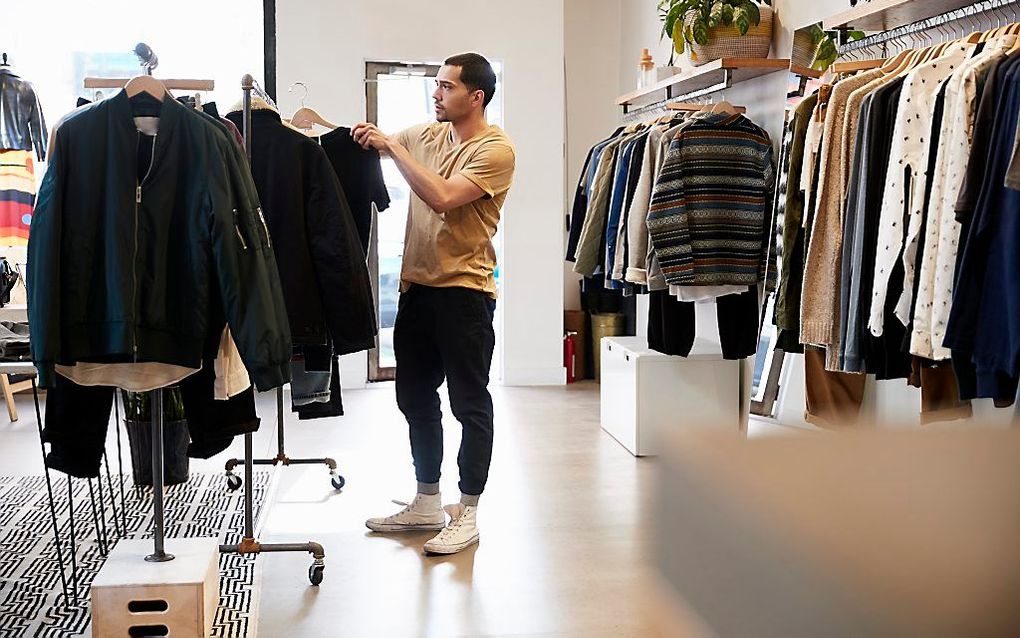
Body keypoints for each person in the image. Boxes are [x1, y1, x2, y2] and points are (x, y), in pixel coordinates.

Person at [352, 53, 516, 555]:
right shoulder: (428, 134)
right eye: (437, 85)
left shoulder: (496, 150)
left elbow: (443, 196)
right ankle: (427, 500)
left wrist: (394, 151)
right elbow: (376, 145)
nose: (436, 94)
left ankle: (467, 511)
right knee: (414, 398)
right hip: (417, 290)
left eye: (446, 87)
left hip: (465, 294)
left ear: (476, 96)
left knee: (469, 403)